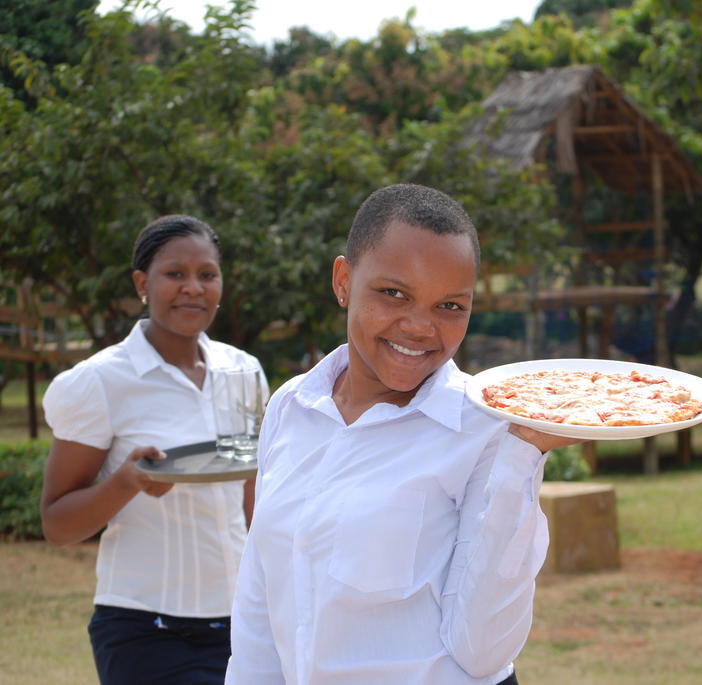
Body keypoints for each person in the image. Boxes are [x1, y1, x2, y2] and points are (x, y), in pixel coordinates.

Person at [227, 184, 576, 685]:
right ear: (343, 280)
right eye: (394, 294)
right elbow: (261, 599)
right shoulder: (292, 407)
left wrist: (525, 452)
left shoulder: (488, 428)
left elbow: (483, 653)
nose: (419, 327)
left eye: (450, 306)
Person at [39, 214, 267, 685]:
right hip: (146, 629)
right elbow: (57, 524)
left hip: (243, 625)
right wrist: (127, 482)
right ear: (142, 283)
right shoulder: (100, 382)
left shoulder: (242, 372)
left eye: (207, 274)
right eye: (175, 274)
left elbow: (253, 500)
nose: (193, 287)